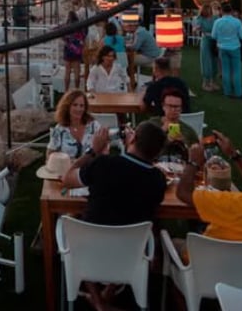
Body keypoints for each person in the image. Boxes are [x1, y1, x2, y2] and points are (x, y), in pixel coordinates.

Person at [61, 121, 167, 311]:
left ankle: (99, 302)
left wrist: (92, 151)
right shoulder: (158, 181)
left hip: (89, 252)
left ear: (132, 138)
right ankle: (106, 295)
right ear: (157, 153)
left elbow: (67, 179)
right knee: (128, 226)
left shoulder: (103, 164)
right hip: (130, 256)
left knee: (79, 225)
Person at [47, 89, 102, 158]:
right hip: (67, 167)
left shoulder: (94, 126)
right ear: (67, 107)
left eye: (82, 106)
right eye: (75, 105)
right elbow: (50, 154)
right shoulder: (59, 129)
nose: (78, 109)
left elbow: (104, 148)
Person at [151, 90, 200, 164]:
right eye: (170, 106)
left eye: (176, 107)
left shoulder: (188, 131)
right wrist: (162, 133)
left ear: (181, 108)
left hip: (180, 168)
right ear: (163, 106)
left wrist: (183, 144)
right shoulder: (152, 125)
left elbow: (197, 157)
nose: (173, 110)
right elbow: (143, 150)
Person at [211, 3, 242, 98]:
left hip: (222, 48)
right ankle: (238, 92)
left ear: (221, 11)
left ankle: (227, 91)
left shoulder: (217, 22)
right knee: (236, 71)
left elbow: (213, 36)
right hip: (235, 47)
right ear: (231, 11)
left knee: (225, 70)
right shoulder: (237, 21)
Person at [61, 11, 87, 91]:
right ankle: (76, 89)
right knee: (77, 71)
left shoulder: (66, 26)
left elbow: (62, 36)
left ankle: (66, 90)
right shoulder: (79, 26)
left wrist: (67, 41)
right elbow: (83, 36)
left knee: (67, 71)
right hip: (77, 50)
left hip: (68, 49)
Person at [196, 4, 219, 92]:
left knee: (214, 60)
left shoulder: (215, 18)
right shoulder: (201, 18)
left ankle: (213, 81)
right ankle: (205, 82)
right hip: (205, 40)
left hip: (214, 41)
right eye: (207, 9)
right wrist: (197, 28)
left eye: (210, 9)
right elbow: (197, 27)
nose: (209, 11)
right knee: (206, 60)